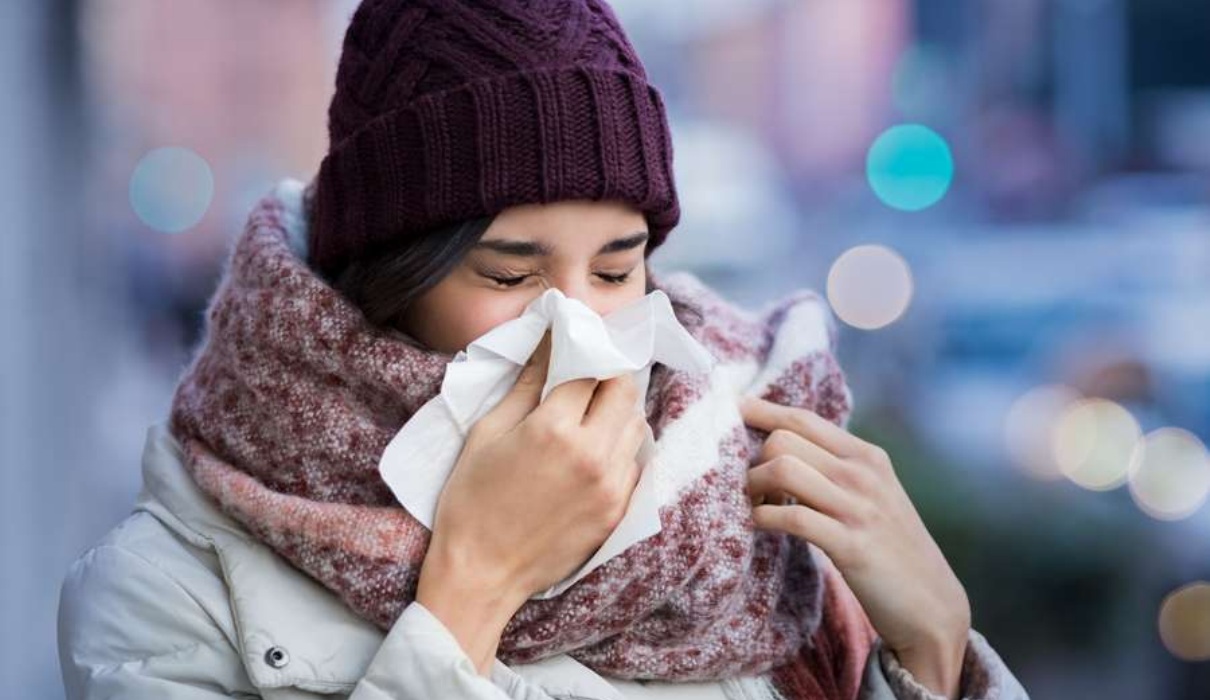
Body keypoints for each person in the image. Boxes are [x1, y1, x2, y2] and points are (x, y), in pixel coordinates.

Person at [57, 2, 1030, 699]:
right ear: (382, 279)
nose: (584, 335)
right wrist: (469, 592)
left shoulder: (754, 515)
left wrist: (938, 656)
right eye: (511, 275)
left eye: (615, 271)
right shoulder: (164, 594)